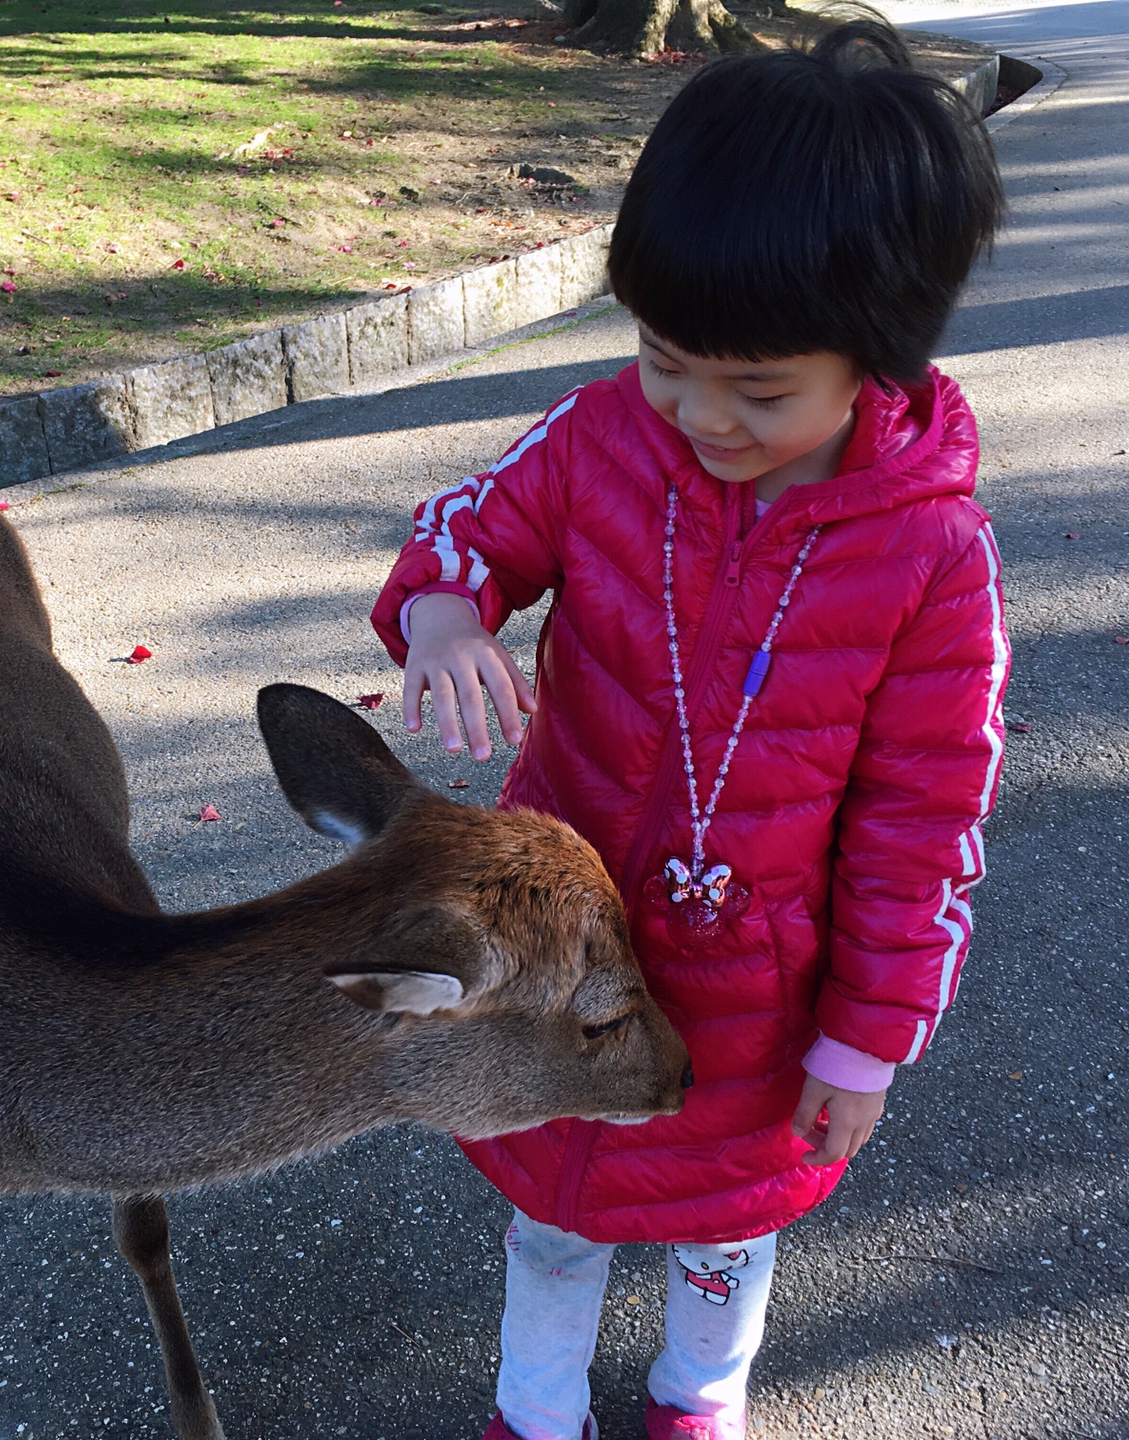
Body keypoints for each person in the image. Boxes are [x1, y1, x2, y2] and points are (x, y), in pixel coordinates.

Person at [368, 15, 1010, 1440]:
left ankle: (697, 1400)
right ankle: (535, 1410)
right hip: (558, 940)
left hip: (760, 989)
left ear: (879, 362)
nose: (701, 413)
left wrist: (866, 1043)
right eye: (667, 357)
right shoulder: (605, 437)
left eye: (761, 388)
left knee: (723, 1229)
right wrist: (445, 614)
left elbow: (929, 823)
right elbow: (469, 527)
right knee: (556, 1213)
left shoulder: (931, 558)